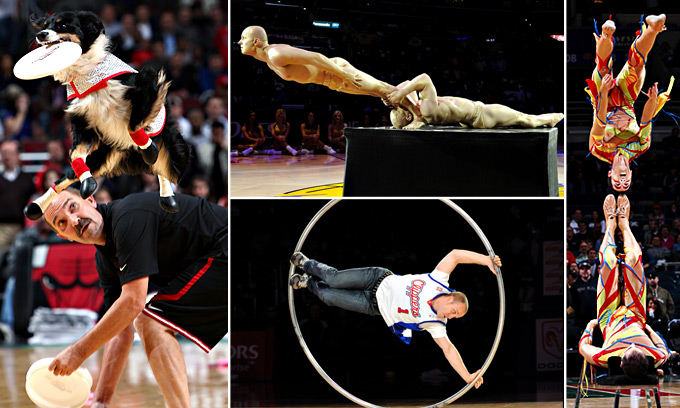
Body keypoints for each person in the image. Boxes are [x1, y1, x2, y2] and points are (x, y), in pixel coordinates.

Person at [41, 188, 228, 407]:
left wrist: (78, 352)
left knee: (151, 323)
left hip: (225, 247)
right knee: (150, 323)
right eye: (62, 223)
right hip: (212, 260)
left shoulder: (128, 216)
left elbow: (133, 302)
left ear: (90, 200)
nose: (74, 220)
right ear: (64, 237)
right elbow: (120, 331)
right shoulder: (104, 260)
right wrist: (101, 401)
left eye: (73, 207)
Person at [289, 248, 502, 388]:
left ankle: (307, 283)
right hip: (377, 277)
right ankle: (307, 264)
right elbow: (455, 255)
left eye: (455, 317)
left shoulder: (436, 323)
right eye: (454, 312)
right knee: (333, 278)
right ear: (449, 298)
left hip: (372, 306)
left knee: (327, 296)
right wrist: (485, 260)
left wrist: (466, 375)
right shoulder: (438, 280)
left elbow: (448, 349)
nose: (452, 318)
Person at [579, 194, 670, 379]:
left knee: (609, 262)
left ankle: (611, 224)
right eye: (638, 349)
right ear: (645, 358)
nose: (633, 345)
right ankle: (625, 224)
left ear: (620, 361)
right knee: (635, 260)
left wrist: (590, 325)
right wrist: (649, 330)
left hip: (609, 317)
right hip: (636, 315)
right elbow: (664, 350)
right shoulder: (657, 357)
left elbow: (583, 348)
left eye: (630, 349)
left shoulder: (605, 357)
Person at [586, 15, 672, 192]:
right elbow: (647, 120)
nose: (623, 182)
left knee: (603, 68)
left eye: (618, 184)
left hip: (604, 100)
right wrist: (652, 100)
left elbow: (600, 121)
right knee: (638, 66)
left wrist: (603, 91)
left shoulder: (598, 150)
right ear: (631, 174)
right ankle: (653, 28)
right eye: (627, 184)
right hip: (627, 99)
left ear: (610, 174)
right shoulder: (641, 147)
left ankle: (605, 35)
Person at [385, 73, 563, 129]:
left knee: (523, 118)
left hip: (474, 115)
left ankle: (547, 120)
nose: (399, 103)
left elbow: (408, 84)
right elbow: (425, 78)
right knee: (525, 118)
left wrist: (395, 95)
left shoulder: (419, 110)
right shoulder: (426, 110)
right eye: (398, 108)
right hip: (482, 115)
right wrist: (401, 95)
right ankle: (549, 119)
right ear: (408, 117)